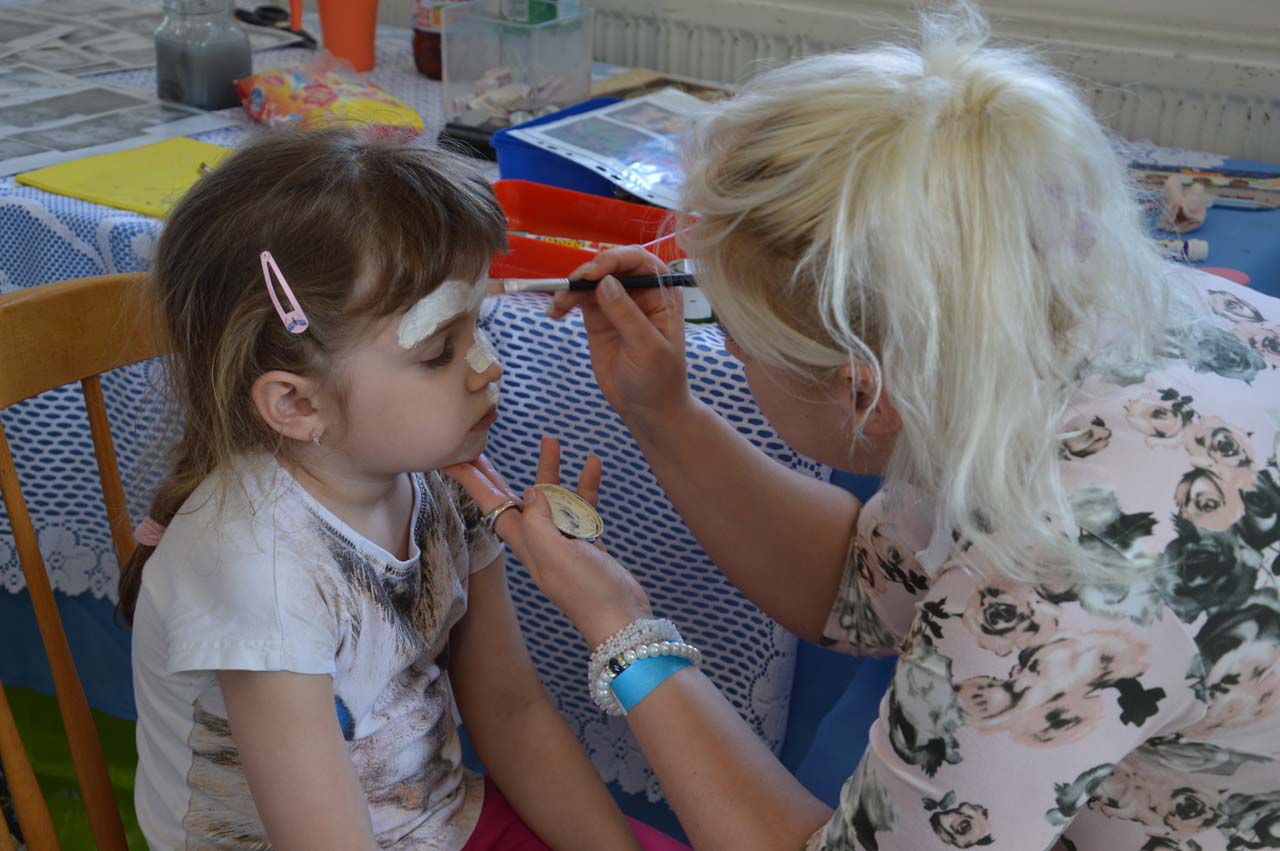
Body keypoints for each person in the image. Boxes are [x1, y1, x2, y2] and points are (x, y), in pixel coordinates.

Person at [444, 5, 1280, 850]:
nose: (718, 341)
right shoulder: (1052, 318)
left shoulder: (1059, 570)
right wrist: (663, 411)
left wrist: (624, 629)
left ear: (866, 394)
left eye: (729, 332)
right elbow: (866, 588)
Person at [118, 129, 687, 851]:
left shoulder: (446, 479)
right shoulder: (258, 569)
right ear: (296, 403)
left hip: (439, 820)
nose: (487, 366)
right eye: (439, 351)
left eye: (479, 325)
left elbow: (512, 713)